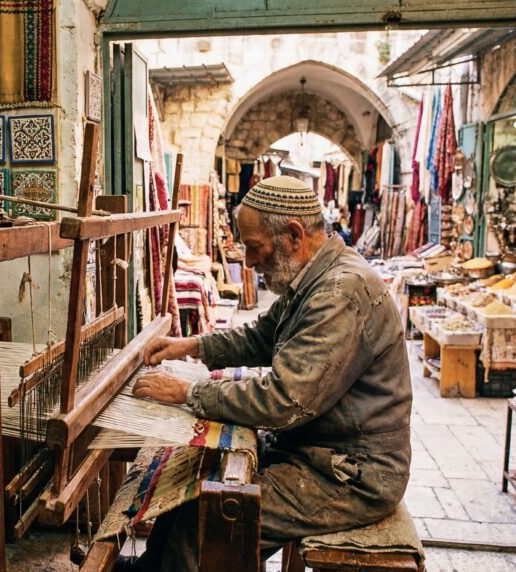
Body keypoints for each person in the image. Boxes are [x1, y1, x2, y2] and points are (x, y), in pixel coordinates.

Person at [127, 175, 412, 571]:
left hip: (352, 474)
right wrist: (191, 347)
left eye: (254, 247)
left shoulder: (339, 293)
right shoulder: (314, 278)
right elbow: (261, 336)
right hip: (317, 450)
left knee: (211, 526)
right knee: (189, 491)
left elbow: (284, 399)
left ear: (293, 235)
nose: (247, 261)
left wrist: (187, 393)